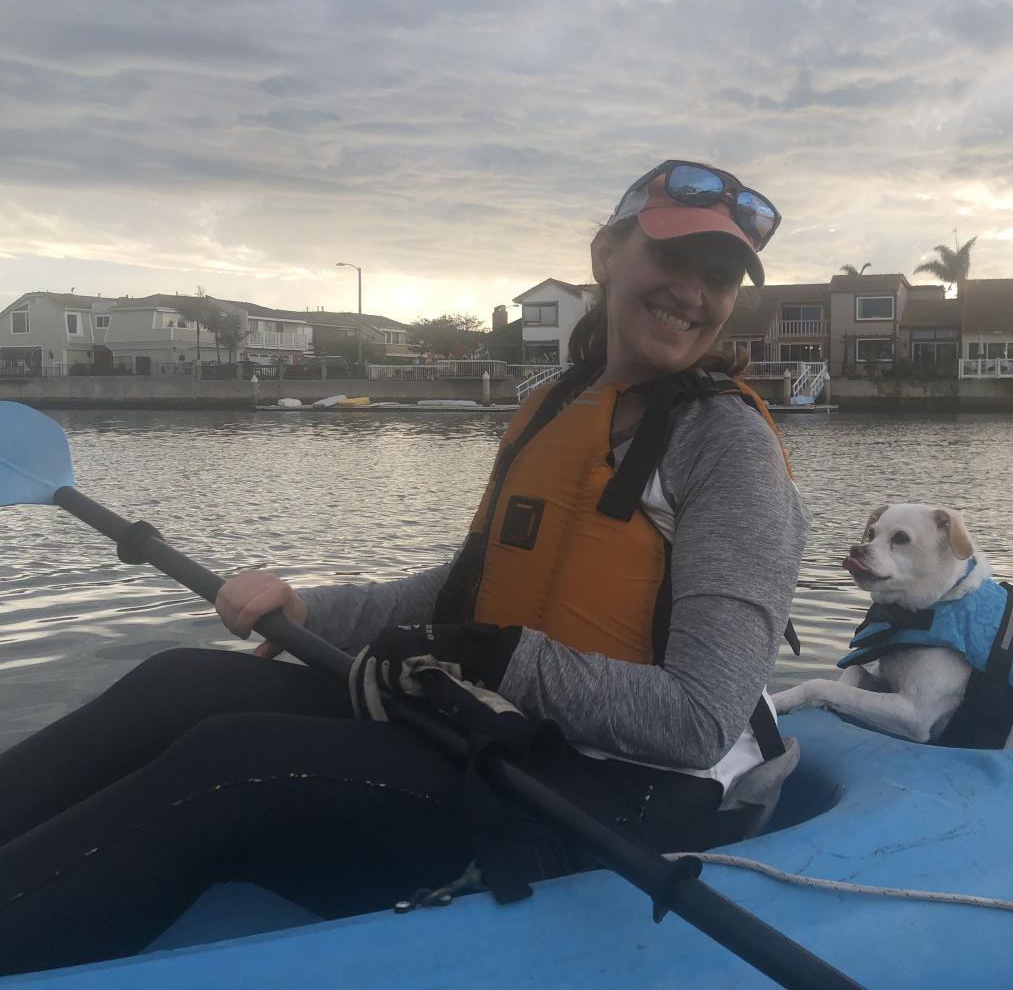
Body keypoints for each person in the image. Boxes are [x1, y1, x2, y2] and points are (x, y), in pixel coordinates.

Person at [0, 160, 808, 975]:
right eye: (672, 260)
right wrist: (312, 610)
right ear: (606, 255)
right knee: (176, 682)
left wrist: (489, 657)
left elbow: (698, 720)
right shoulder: (553, 407)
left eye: (720, 278)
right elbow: (464, 589)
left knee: (233, 762)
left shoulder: (726, 447)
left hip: (628, 792)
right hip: (511, 727)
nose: (694, 294)